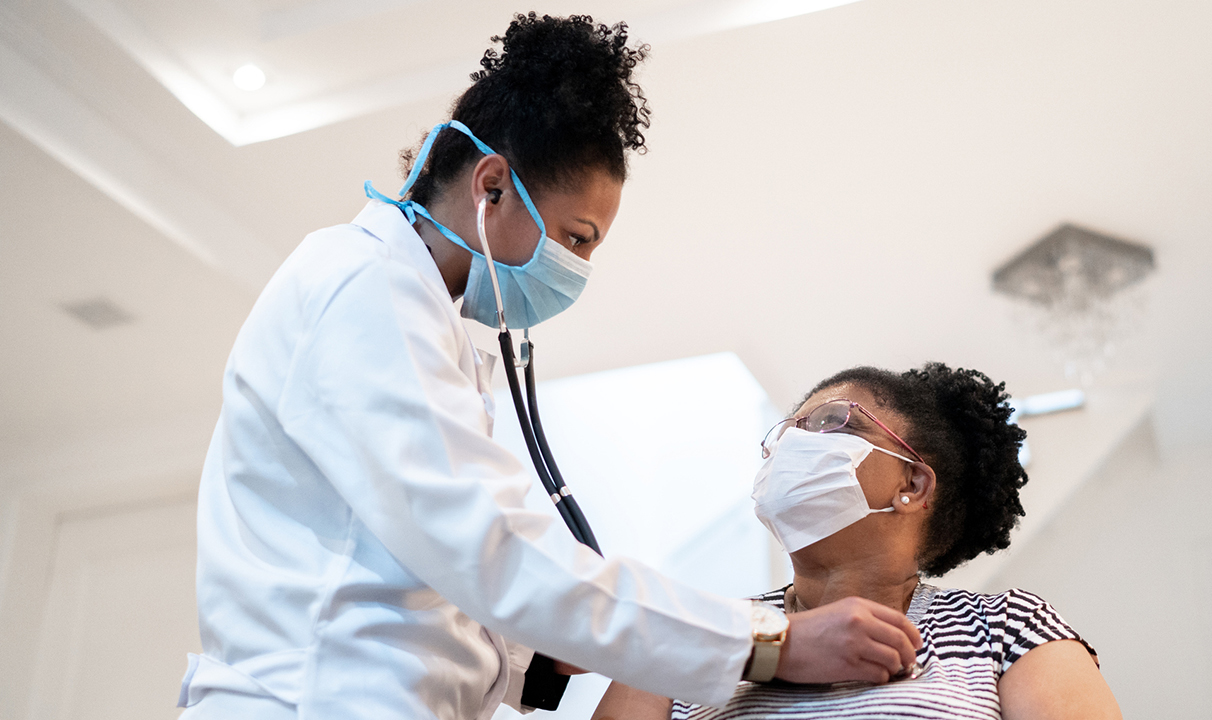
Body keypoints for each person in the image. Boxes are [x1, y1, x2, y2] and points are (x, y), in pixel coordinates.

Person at [177, 14, 920, 720]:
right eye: (577, 236)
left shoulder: (428, 320)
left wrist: (533, 653)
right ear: (492, 185)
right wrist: (769, 644)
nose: (577, 268)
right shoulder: (363, 289)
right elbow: (489, 546)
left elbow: (422, 568)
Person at [593, 363, 1122, 720]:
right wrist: (770, 648)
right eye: (787, 432)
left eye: (831, 422)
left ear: (911, 484)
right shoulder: (691, 631)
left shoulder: (1005, 629)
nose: (793, 446)